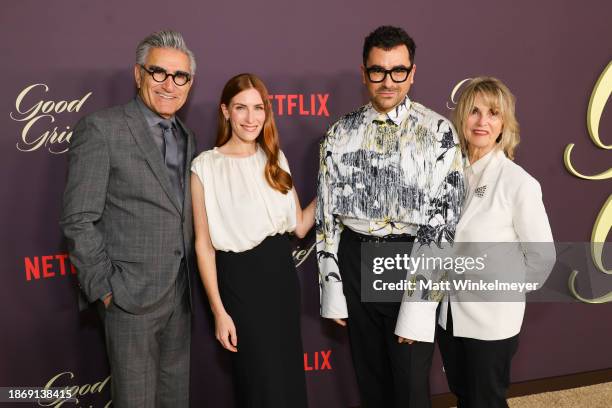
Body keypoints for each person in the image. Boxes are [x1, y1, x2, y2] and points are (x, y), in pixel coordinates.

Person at [316, 25, 465, 408]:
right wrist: (332, 284)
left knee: (411, 383)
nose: (388, 81)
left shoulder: (438, 133)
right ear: (364, 72)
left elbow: (442, 225)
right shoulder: (339, 132)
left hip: (409, 258)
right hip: (355, 257)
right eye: (378, 71)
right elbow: (327, 214)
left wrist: (420, 303)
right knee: (372, 380)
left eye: (398, 70)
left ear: (412, 72)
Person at [395, 77, 556, 407]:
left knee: (487, 400)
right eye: (475, 112)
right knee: (464, 395)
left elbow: (543, 257)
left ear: (504, 124)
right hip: (449, 315)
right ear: (462, 118)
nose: (483, 121)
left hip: (492, 320)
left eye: (493, 113)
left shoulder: (518, 183)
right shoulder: (448, 175)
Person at [61, 30, 197, 407]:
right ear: (138, 75)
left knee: (175, 399)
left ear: (190, 83)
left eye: (180, 76)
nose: (170, 85)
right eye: (159, 73)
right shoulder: (102, 128)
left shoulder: (189, 138)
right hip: (128, 298)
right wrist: (105, 288)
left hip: (182, 297)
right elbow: (78, 218)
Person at [190, 73, 315, 408]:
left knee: (287, 378)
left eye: (258, 108)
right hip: (240, 286)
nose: (251, 117)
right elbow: (204, 245)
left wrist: (334, 183)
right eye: (241, 108)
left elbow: (300, 227)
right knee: (258, 383)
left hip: (282, 280)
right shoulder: (206, 166)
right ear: (226, 111)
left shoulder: (275, 159)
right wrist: (219, 311)